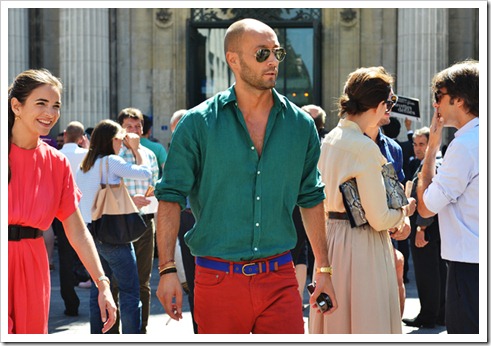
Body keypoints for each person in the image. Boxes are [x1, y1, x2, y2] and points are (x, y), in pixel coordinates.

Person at [154, 18, 337, 334]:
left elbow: (311, 197)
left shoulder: (300, 125)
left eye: (276, 53)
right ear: (233, 60)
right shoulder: (198, 124)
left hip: (280, 276)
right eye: (262, 53)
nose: (272, 62)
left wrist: (323, 270)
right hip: (217, 278)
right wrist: (167, 269)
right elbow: (170, 197)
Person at [7, 68, 116, 334]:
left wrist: (102, 283)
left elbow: (77, 231)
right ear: (16, 106)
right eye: (41, 103)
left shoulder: (57, 163)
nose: (51, 113)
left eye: (56, 105)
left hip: (34, 265)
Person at [310, 66, 415, 334]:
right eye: (389, 103)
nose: (389, 110)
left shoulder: (328, 140)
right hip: (363, 244)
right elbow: (379, 218)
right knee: (368, 323)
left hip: (331, 241)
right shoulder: (365, 149)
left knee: (336, 323)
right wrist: (402, 214)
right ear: (379, 105)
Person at [417, 60, 479, 334]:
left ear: (459, 99)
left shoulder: (464, 146)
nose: (435, 105)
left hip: (470, 268)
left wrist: (432, 150)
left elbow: (427, 207)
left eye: (438, 97)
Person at [76, 119, 152, 334]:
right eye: (120, 138)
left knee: (99, 291)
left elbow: (95, 199)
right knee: (130, 292)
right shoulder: (111, 161)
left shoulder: (86, 164)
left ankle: (100, 336)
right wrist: (137, 150)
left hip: (91, 234)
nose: (122, 143)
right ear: (110, 140)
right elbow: (145, 174)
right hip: (113, 235)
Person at [113, 108, 159, 334]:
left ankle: (141, 330)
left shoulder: (149, 154)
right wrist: (131, 200)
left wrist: (152, 196)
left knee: (143, 281)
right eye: (129, 126)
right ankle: (111, 329)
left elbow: (154, 182)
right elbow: (109, 190)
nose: (134, 131)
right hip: (120, 222)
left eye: (137, 126)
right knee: (115, 280)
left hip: (146, 222)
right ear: (121, 128)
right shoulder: (115, 154)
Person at [402, 126, 447, 329]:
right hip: (433, 227)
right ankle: (439, 314)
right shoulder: (430, 163)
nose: (417, 148)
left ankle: (428, 316)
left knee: (427, 272)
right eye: (415, 144)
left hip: (426, 226)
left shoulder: (430, 165)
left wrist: (421, 229)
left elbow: (428, 197)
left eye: (422, 144)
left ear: (430, 145)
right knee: (436, 271)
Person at [366, 115, 409, 317]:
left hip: (388, 230)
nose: (389, 108)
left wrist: (405, 218)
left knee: (395, 274)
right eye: (386, 101)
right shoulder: (346, 142)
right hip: (356, 230)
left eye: (392, 102)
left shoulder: (393, 148)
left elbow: (398, 191)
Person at [52, 120, 91, 317]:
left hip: (62, 214)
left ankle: (70, 303)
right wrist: (88, 146)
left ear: (65, 134)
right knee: (91, 255)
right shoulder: (87, 155)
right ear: (82, 137)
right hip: (86, 213)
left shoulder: (56, 156)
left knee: (65, 260)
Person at [168, 108, 199, 334]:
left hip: (206, 219)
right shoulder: (174, 154)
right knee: (192, 278)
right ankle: (200, 328)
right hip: (186, 218)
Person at [141, 114, 168, 178]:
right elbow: (167, 170)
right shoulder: (159, 148)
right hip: (153, 186)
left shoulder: (123, 147)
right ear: (149, 131)